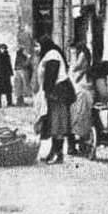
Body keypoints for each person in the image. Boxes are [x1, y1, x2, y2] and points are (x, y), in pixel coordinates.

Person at [38, 36, 73, 164]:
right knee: (54, 123)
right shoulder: (51, 53)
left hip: (58, 92)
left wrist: (47, 91)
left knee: (57, 124)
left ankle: (58, 154)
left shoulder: (52, 55)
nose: (37, 49)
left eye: (38, 46)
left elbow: (51, 76)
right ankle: (53, 153)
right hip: (56, 92)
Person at [68, 42, 93, 156]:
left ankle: (73, 147)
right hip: (81, 92)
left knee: (75, 119)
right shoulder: (91, 75)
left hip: (79, 93)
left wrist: (72, 62)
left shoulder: (81, 56)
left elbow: (75, 67)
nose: (72, 52)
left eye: (73, 50)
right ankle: (79, 146)